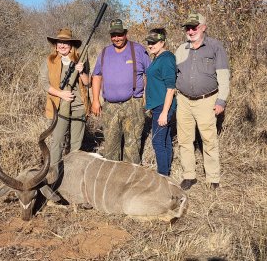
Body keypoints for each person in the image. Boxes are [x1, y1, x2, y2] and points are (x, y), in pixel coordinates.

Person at [175, 12, 230, 190]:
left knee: (209, 139)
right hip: (183, 100)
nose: (191, 31)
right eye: (188, 28)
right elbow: (174, 74)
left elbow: (223, 76)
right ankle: (189, 175)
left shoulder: (215, 47)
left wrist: (221, 100)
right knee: (185, 140)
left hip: (207, 101)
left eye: (194, 27)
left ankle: (213, 177)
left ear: (203, 27)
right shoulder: (181, 49)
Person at [91, 19, 151, 164]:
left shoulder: (138, 50)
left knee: (132, 145)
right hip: (110, 106)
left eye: (120, 34)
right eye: (113, 35)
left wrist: (147, 97)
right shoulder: (105, 52)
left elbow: (150, 74)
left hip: (133, 103)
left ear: (126, 33)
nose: (117, 38)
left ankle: (131, 180)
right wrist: (95, 100)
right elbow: (96, 75)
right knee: (111, 146)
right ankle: (113, 180)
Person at [40, 28, 90, 183]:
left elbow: (88, 82)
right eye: (60, 42)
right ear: (55, 45)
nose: (62, 45)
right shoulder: (49, 60)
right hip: (59, 107)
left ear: (71, 45)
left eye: (66, 42)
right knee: (57, 142)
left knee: (76, 145)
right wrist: (60, 94)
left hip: (78, 106)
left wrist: (81, 72)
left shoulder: (80, 58)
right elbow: (42, 83)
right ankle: (53, 177)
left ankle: (74, 179)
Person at [144, 28, 177, 176]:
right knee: (165, 139)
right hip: (158, 105)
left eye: (154, 42)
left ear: (162, 42)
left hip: (163, 107)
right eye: (149, 43)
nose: (151, 45)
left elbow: (171, 88)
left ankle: (162, 175)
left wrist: (164, 112)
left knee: (157, 142)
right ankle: (166, 172)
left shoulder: (167, 58)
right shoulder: (157, 58)